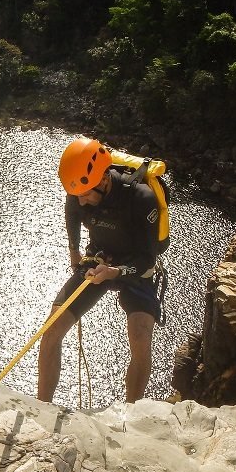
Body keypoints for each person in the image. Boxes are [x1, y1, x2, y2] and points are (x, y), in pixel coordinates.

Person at [37, 136, 163, 404]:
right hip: (98, 259)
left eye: (85, 196)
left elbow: (146, 259)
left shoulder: (141, 198)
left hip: (135, 269)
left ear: (104, 180)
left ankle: (132, 414)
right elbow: (72, 213)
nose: (81, 202)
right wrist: (75, 251)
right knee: (51, 332)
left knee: (140, 343)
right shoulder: (79, 189)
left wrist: (115, 272)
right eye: (76, 196)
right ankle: (42, 407)